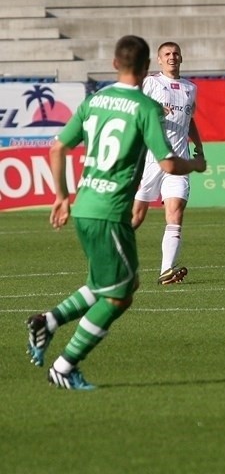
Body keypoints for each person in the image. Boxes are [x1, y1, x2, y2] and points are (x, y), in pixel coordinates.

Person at [26, 35, 207, 390]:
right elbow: (169, 162)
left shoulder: (95, 100)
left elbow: (58, 147)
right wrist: (196, 164)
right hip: (110, 211)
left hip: (86, 205)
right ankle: (64, 365)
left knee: (108, 284)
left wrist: (61, 196)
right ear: (145, 69)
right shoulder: (145, 107)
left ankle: (47, 322)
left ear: (114, 64)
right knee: (120, 294)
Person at [131, 41, 204, 285]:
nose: (172, 57)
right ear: (159, 60)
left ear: (181, 58)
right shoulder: (151, 83)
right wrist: (153, 109)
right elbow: (134, 110)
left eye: (175, 53)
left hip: (180, 161)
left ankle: (166, 270)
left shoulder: (190, 88)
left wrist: (199, 147)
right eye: (167, 54)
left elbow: (189, 120)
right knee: (136, 217)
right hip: (150, 159)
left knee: (175, 212)